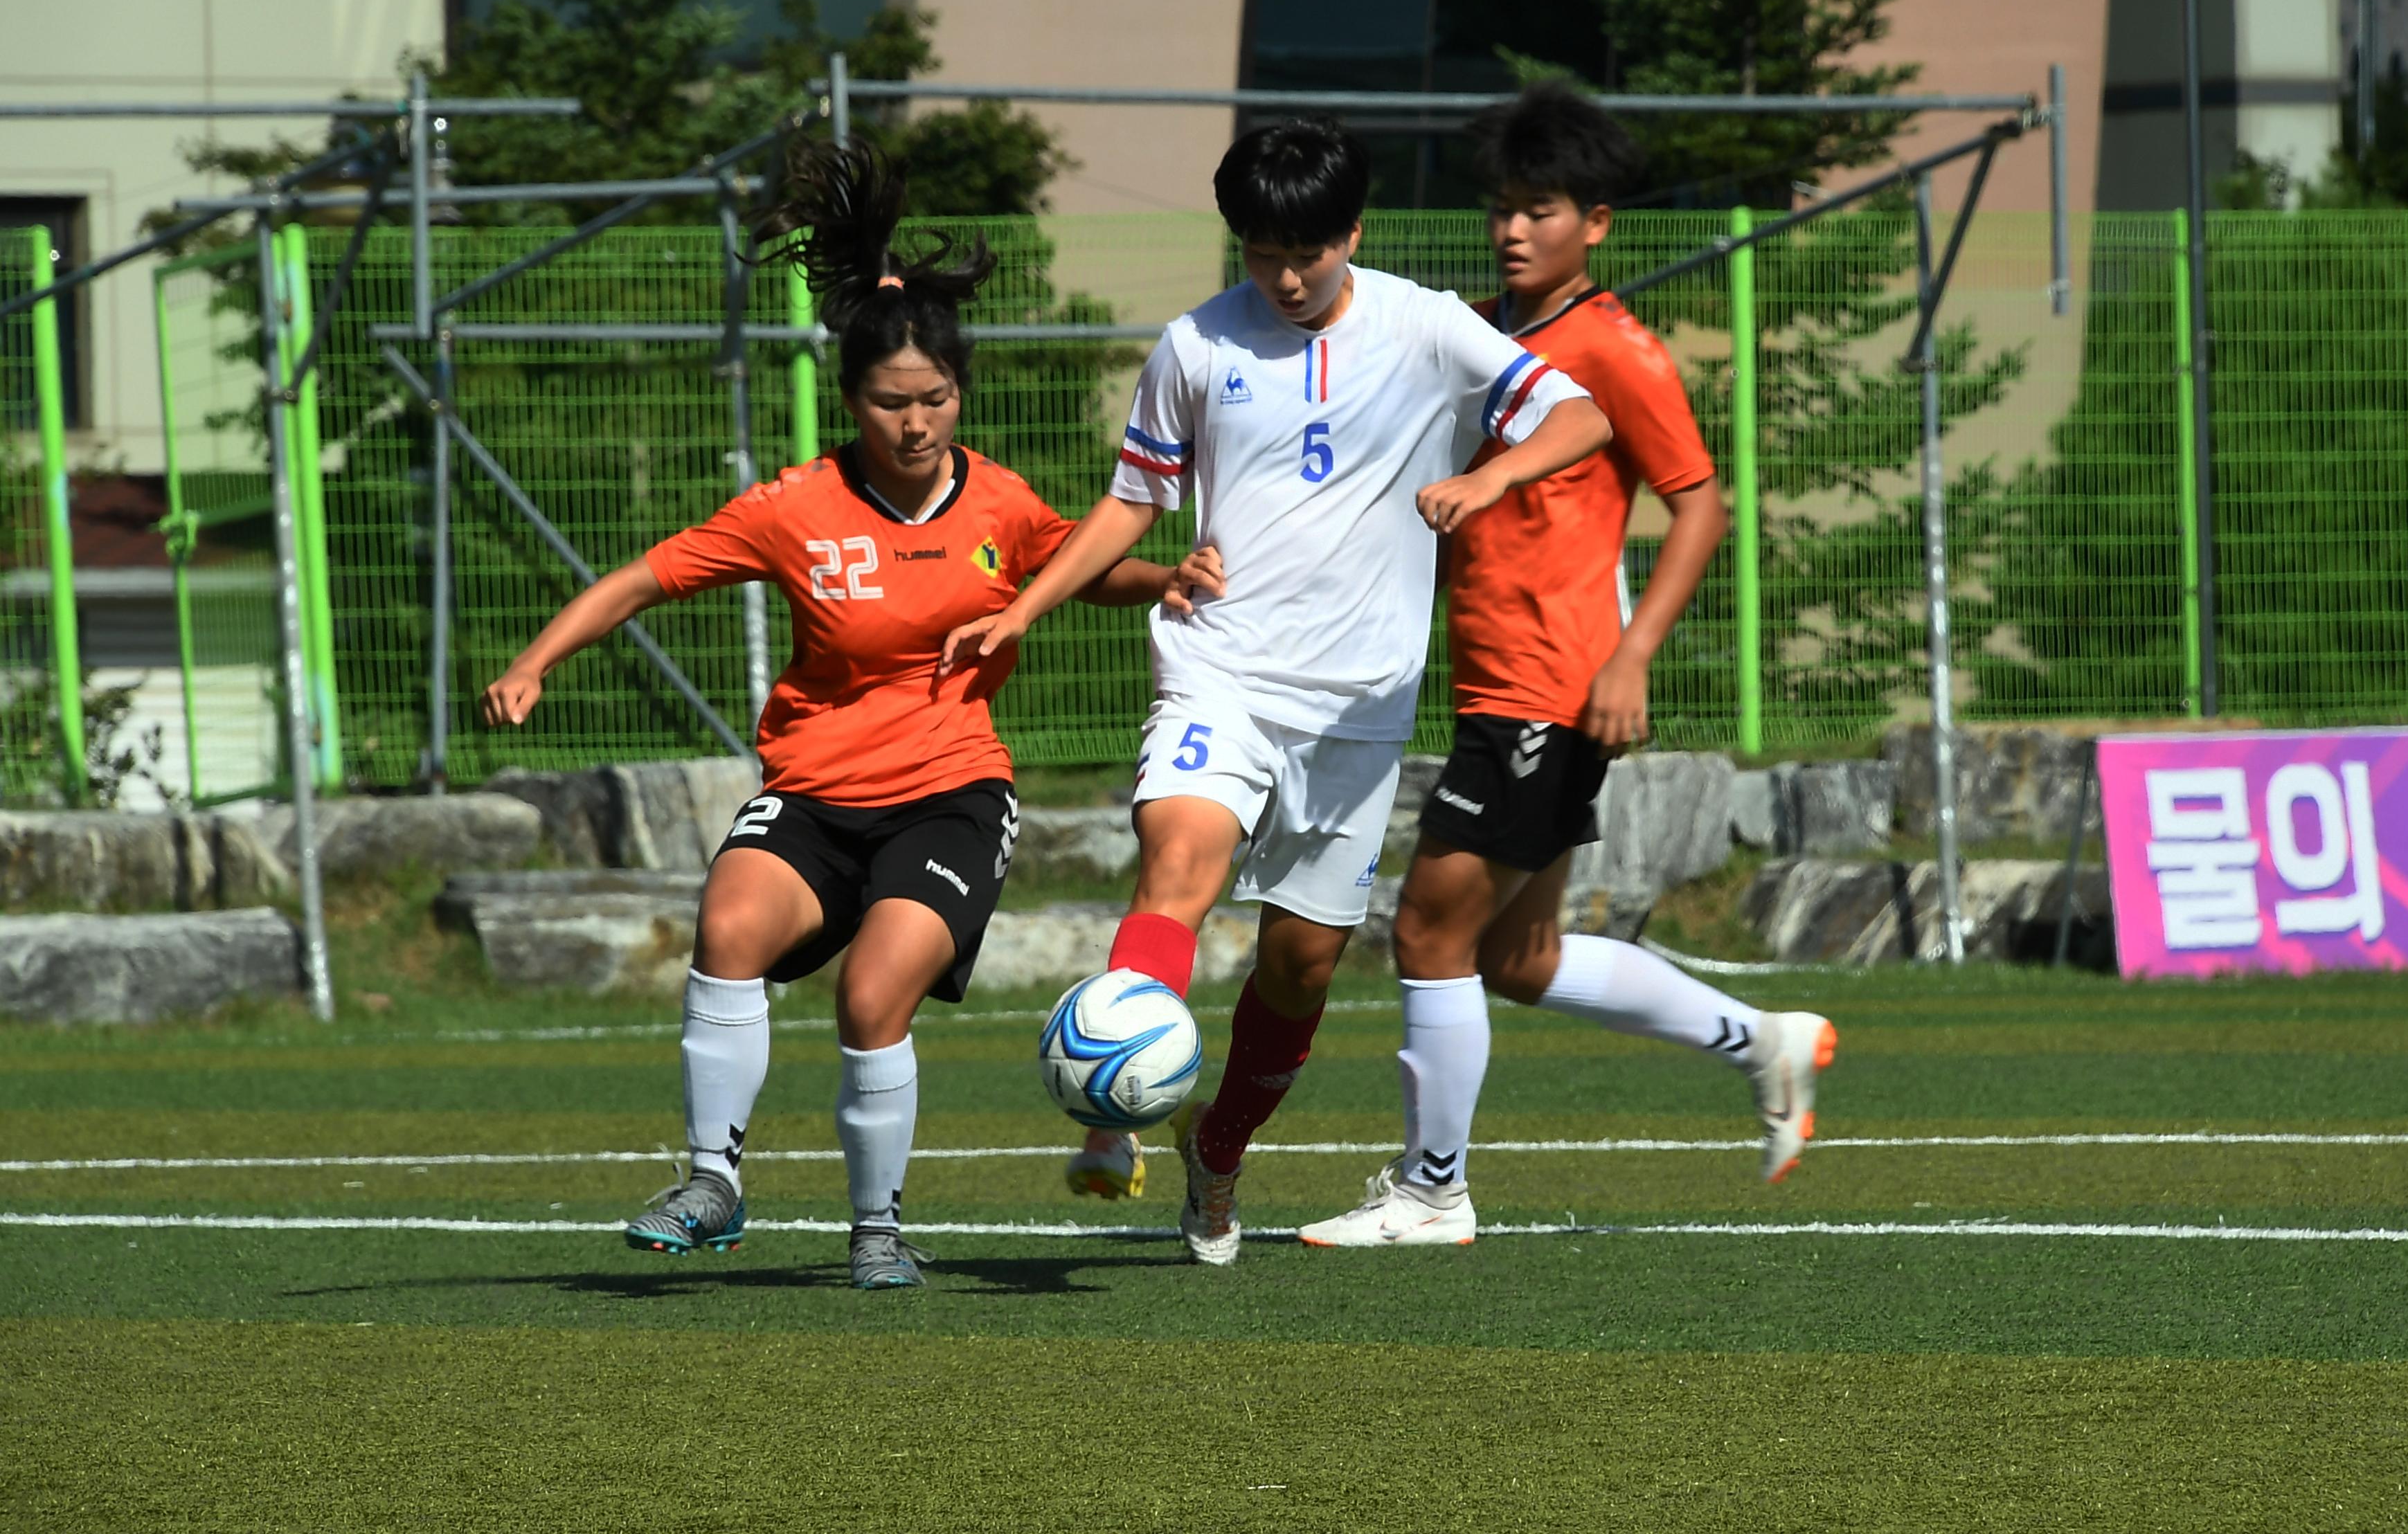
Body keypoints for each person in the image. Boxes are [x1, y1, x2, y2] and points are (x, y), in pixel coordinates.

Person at [479, 136, 1215, 1290]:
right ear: (852, 397)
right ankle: (713, 1182)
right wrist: (534, 663)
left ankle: (878, 1230)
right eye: (890, 402)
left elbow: (1081, 564)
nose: (915, 423)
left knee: (874, 995)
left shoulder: (1004, 502)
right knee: (728, 925)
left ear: (958, 395)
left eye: (934, 399)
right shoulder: (796, 509)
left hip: (951, 797)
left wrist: (1163, 575)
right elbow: (639, 580)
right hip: (817, 793)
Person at [940, 114, 1613, 1265]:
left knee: (1300, 967)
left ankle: (1218, 1149)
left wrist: (1490, 477)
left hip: (1357, 712)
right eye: (1261, 253)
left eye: (1308, 251)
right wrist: (1023, 607)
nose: (1288, 277)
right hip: (1222, 665)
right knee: (1181, 859)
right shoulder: (1197, 347)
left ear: (1354, 232)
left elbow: (1582, 417)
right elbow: (1129, 504)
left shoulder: (1428, 326)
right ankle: (1116, 1106)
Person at [1295, 82, 1836, 1250]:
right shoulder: (1488, 338)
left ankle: (1434, 1191)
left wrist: (1632, 657)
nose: (1512, 230)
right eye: (1501, 208)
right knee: (1518, 957)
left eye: (1539, 209)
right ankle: (1768, 1042)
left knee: (1430, 933)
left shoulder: (1616, 348)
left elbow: (1700, 505)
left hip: (1553, 686)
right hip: (1496, 683)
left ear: (1596, 221)